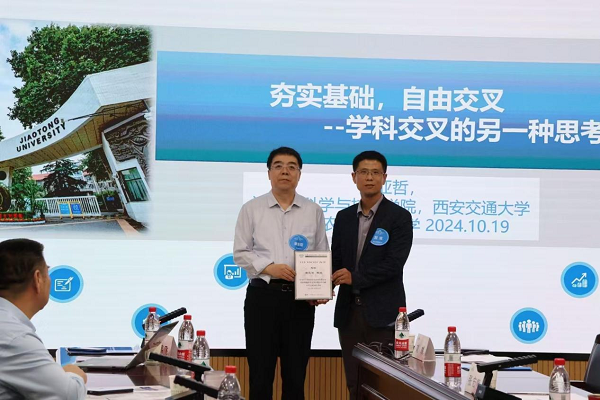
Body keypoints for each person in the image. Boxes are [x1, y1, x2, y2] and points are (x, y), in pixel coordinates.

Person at [234, 147, 329, 399]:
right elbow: (240, 253)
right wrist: (268, 267)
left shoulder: (313, 210)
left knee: (296, 376)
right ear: (269, 173)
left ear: (299, 174)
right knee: (260, 375)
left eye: (291, 167)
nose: (285, 171)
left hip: (300, 303)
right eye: (278, 166)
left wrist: (320, 289)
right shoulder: (251, 209)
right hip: (262, 299)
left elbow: (321, 254)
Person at [331, 151, 413, 400]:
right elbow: (336, 261)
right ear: (354, 177)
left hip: (383, 316)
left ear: (384, 178)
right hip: (349, 315)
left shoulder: (399, 217)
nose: (369, 178)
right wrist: (322, 286)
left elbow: (393, 264)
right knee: (354, 383)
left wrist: (354, 277)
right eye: (364, 172)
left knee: (383, 386)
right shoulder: (344, 217)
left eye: (375, 172)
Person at [0, 238, 87, 399]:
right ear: (38, 279)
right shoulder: (15, 337)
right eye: (48, 271)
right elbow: (68, 396)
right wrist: (74, 375)